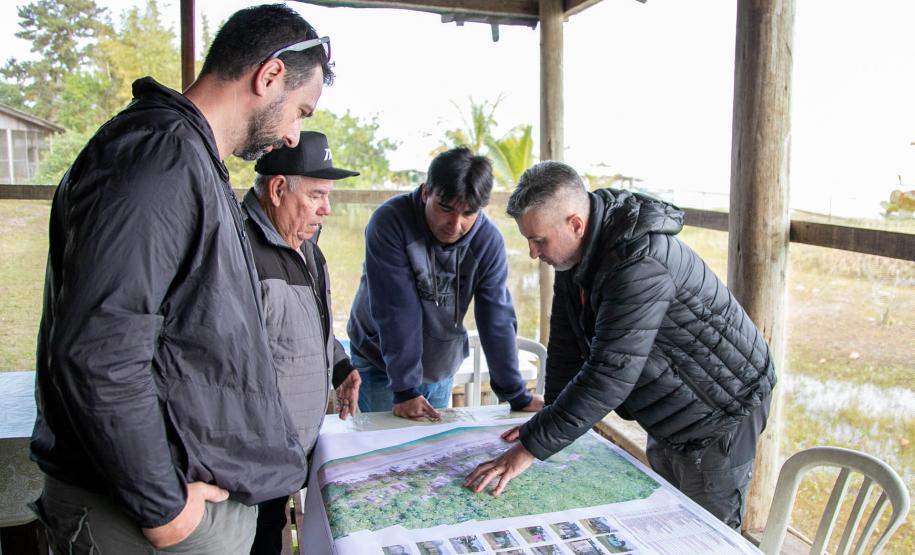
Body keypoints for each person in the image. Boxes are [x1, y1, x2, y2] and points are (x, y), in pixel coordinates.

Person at [29, 5, 335, 554]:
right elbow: (100, 350)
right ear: (268, 77)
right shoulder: (160, 155)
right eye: (300, 111)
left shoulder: (190, 157)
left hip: (183, 498)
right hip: (146, 515)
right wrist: (163, 509)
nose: (292, 134)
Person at [464, 161, 776, 529]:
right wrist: (547, 418)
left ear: (575, 224)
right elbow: (566, 346)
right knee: (666, 515)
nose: (533, 252)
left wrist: (528, 449)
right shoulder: (575, 256)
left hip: (722, 407)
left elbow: (610, 372)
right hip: (668, 398)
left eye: (538, 240)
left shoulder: (639, 262)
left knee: (703, 527)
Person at [347, 146, 544, 418]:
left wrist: (515, 393)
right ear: (427, 191)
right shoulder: (390, 222)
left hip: (440, 363)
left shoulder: (488, 241)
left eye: (468, 214)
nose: (455, 224)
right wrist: (405, 391)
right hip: (381, 359)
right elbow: (397, 310)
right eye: (446, 209)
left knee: (431, 452)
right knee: (386, 453)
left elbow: (496, 317)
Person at [242, 131, 362, 555]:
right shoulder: (238, 254)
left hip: (289, 451)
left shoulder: (307, 246)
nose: (326, 209)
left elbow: (316, 328)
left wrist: (340, 366)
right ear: (277, 189)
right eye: (316, 195)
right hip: (249, 460)